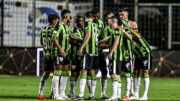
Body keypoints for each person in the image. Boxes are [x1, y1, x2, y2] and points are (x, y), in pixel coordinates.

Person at [75, 11, 98, 100]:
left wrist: (81, 48)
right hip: (95, 52)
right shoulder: (95, 26)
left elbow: (88, 35)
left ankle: (81, 95)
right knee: (92, 73)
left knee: (83, 72)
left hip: (88, 51)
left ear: (87, 17)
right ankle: (92, 95)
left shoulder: (87, 24)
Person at [37, 14, 58, 100]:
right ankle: (53, 94)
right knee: (56, 75)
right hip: (54, 54)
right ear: (54, 20)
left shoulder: (43, 30)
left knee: (45, 74)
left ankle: (40, 93)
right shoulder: (55, 29)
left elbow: (41, 43)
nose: (57, 22)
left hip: (46, 55)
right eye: (56, 20)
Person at [52, 9, 71, 100]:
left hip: (66, 53)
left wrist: (80, 39)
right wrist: (61, 49)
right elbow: (54, 37)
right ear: (66, 16)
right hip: (59, 52)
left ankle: (62, 93)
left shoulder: (66, 27)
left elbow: (70, 36)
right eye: (69, 16)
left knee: (66, 72)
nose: (70, 18)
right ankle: (56, 95)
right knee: (57, 73)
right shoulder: (58, 25)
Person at [92, 9, 109, 99]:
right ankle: (92, 94)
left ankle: (103, 93)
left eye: (97, 16)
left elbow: (102, 35)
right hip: (91, 52)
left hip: (99, 51)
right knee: (92, 72)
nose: (96, 18)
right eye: (94, 16)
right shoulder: (88, 24)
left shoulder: (101, 23)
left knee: (104, 71)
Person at [68, 15, 84, 98]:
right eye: (78, 21)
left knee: (79, 74)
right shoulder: (74, 30)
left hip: (82, 56)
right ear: (76, 22)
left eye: (81, 21)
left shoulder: (84, 30)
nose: (80, 22)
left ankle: (72, 92)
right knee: (74, 73)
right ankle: (71, 92)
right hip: (74, 55)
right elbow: (70, 38)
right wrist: (80, 41)